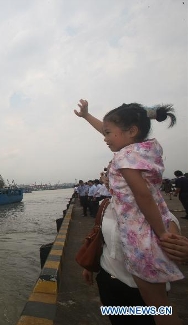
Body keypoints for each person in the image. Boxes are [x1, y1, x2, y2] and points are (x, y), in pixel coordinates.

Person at [75, 99, 183, 325]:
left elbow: (143, 196)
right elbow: (114, 132)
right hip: (109, 276)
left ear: (131, 131)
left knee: (160, 312)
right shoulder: (144, 150)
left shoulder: (125, 158)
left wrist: (163, 233)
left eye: (107, 133)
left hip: (136, 262)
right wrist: (87, 116)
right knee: (148, 310)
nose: (104, 138)